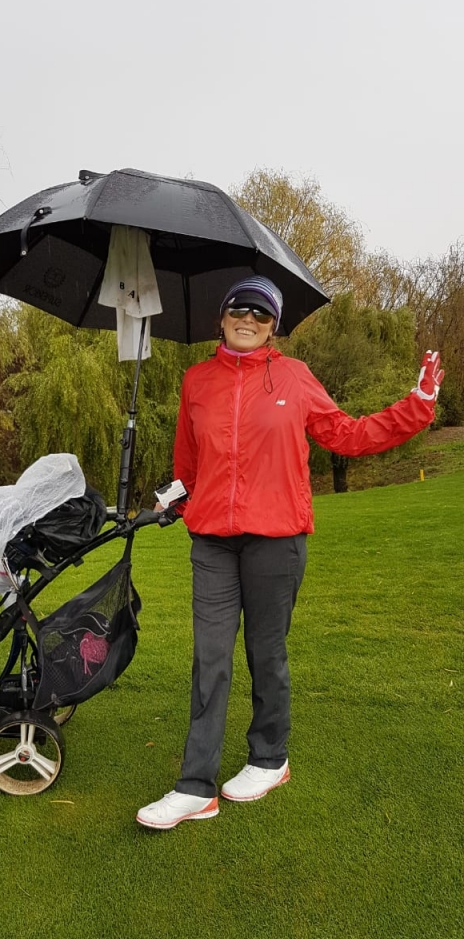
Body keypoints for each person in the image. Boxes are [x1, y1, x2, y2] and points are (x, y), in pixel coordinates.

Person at [136, 276, 444, 831]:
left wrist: (416, 408)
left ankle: (269, 758)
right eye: (239, 309)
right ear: (222, 317)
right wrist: (176, 499)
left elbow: (347, 434)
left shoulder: (295, 377)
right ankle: (195, 787)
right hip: (212, 541)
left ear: (273, 325)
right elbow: (189, 460)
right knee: (210, 658)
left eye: (261, 313)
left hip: (277, 540)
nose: (248, 319)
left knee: (266, 651)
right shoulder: (196, 380)